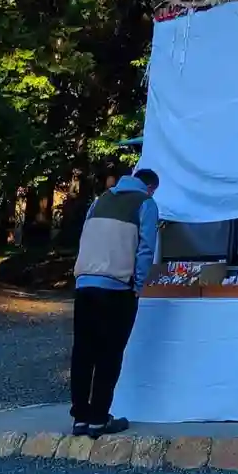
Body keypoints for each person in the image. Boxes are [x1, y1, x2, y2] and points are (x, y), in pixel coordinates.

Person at [70, 165, 159, 437]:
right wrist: (138, 285)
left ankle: (80, 418)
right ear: (150, 188)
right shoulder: (146, 203)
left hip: (84, 283)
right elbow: (146, 248)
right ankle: (99, 418)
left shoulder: (99, 201)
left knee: (83, 352)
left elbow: (85, 238)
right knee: (109, 353)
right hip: (117, 286)